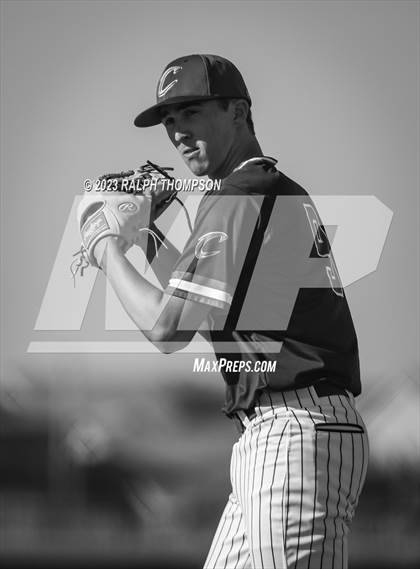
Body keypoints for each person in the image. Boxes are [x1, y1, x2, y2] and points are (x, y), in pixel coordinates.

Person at [95, 54, 369, 568]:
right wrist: (148, 234)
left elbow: (166, 330)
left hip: (296, 429)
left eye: (191, 112)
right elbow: (204, 320)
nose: (177, 131)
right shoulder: (258, 188)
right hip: (282, 433)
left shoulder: (239, 194)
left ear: (238, 112)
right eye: (169, 120)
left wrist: (105, 248)